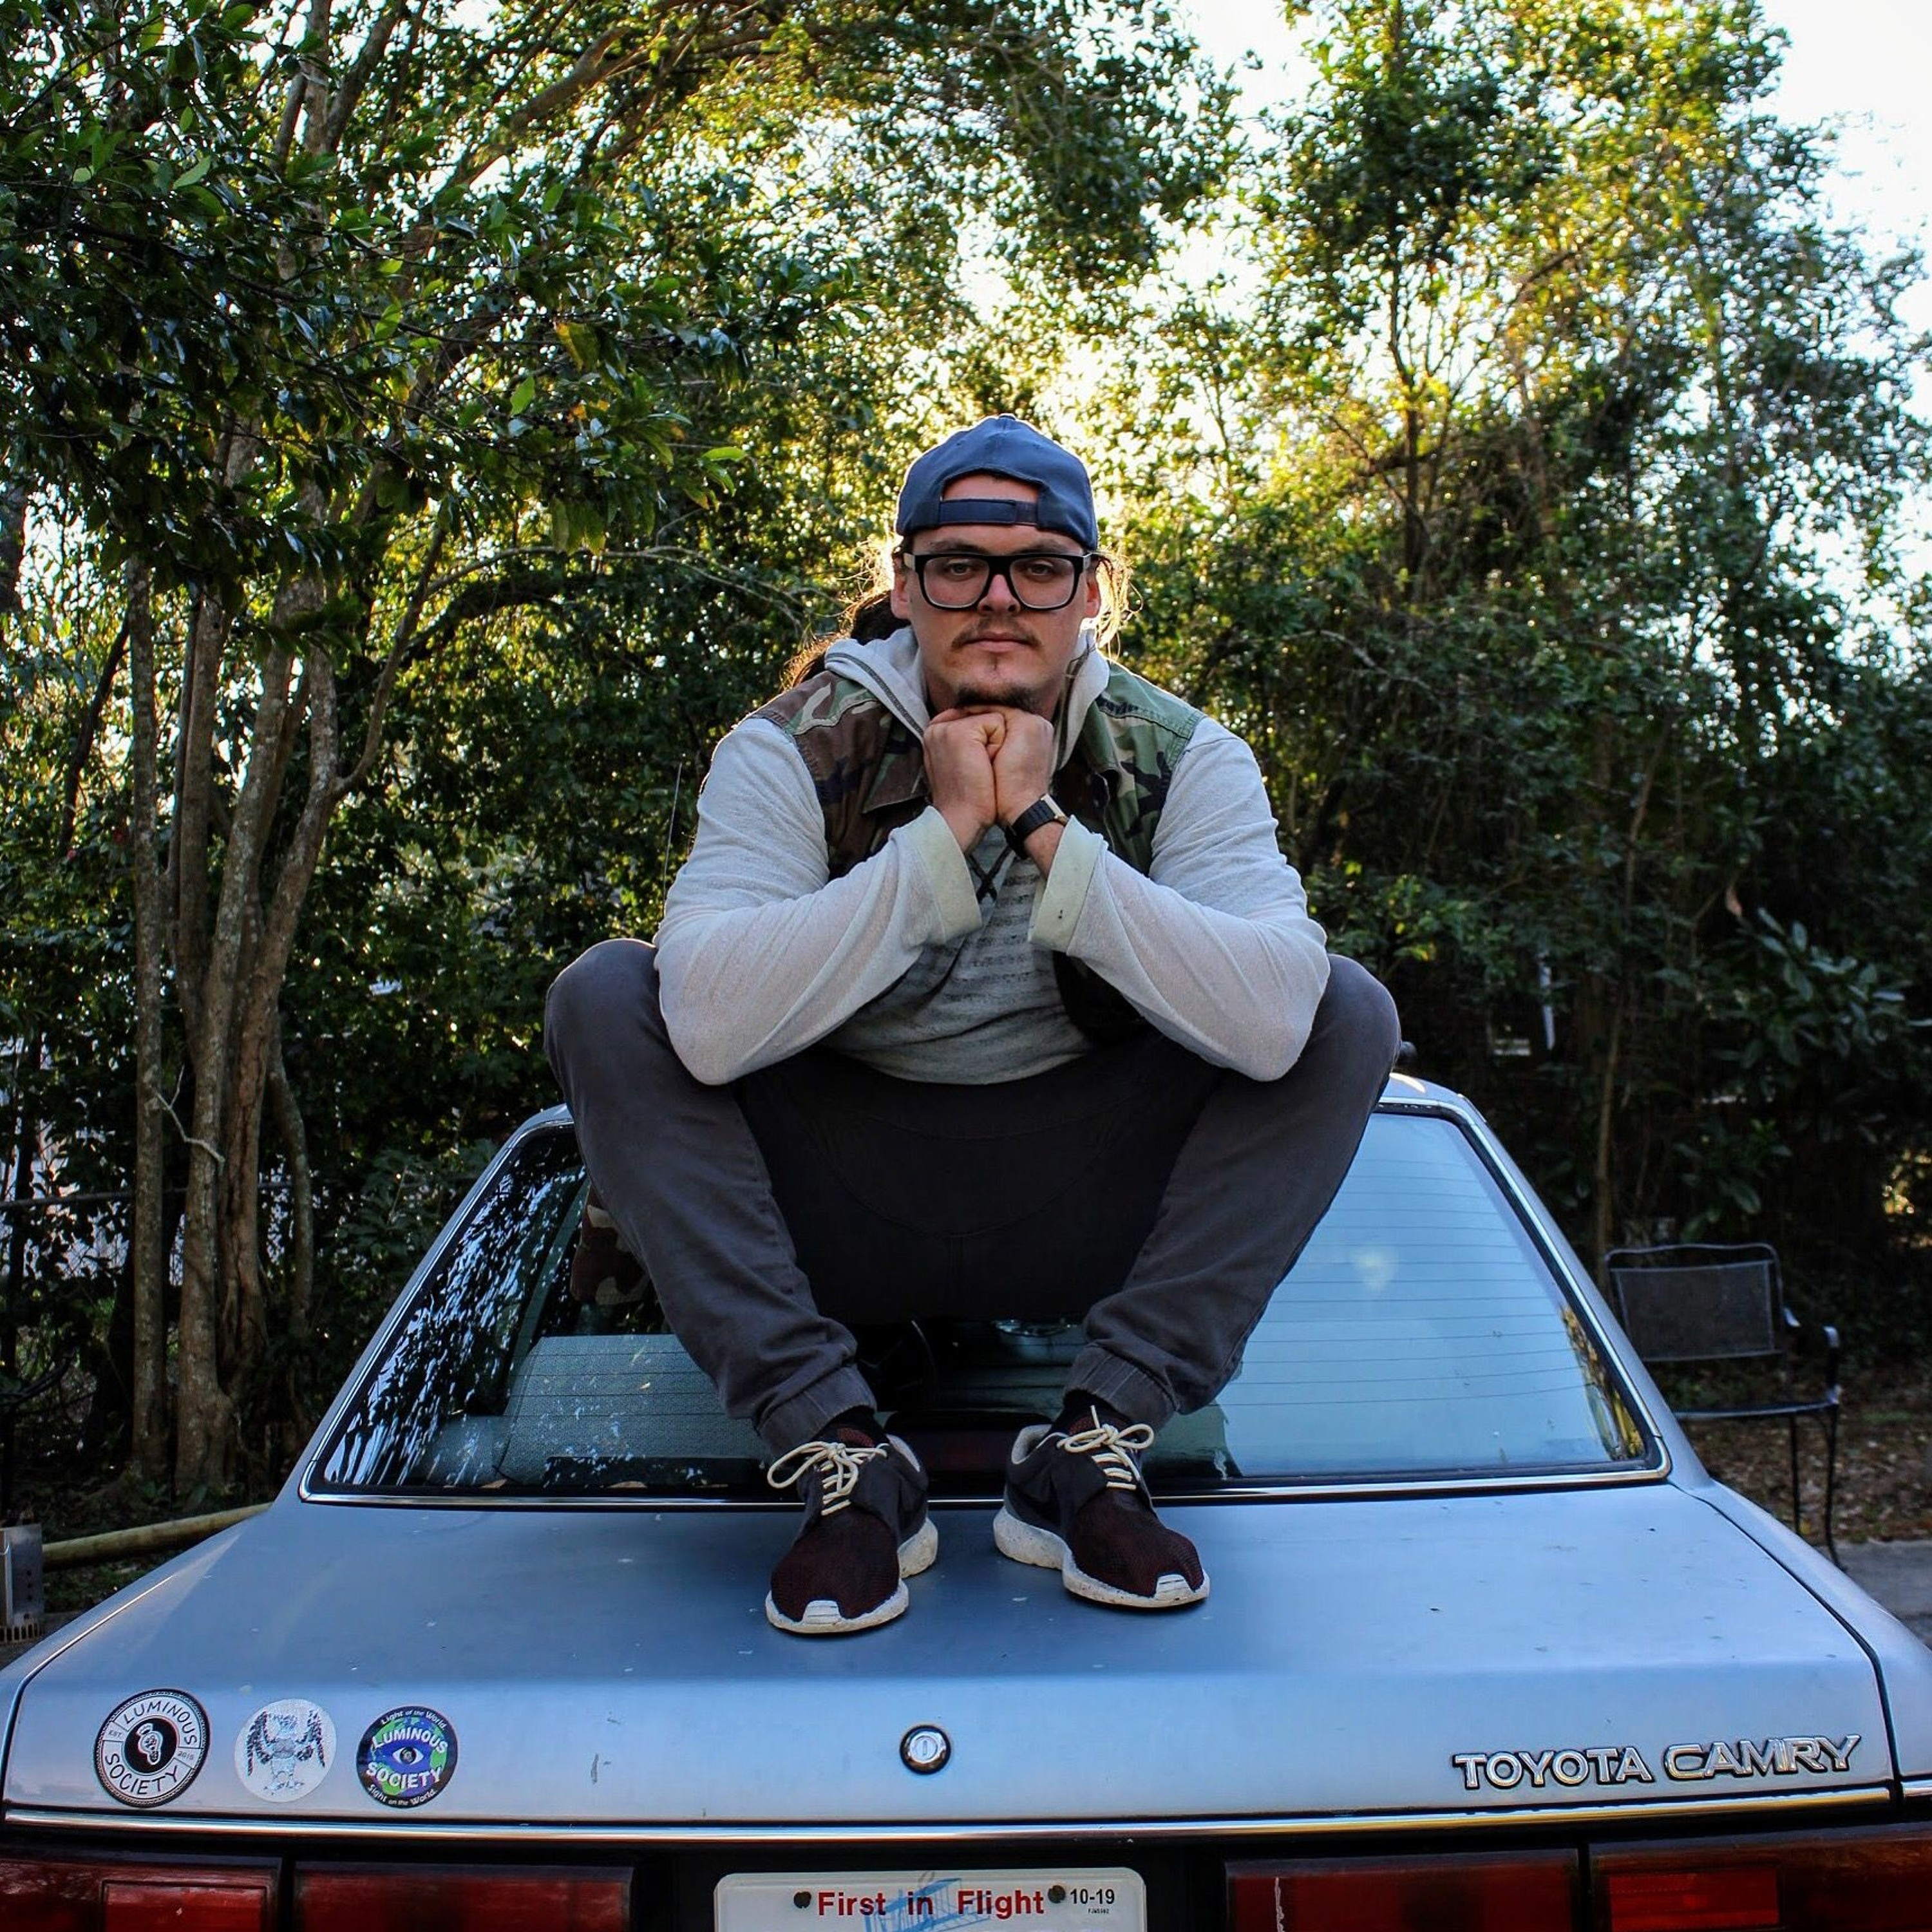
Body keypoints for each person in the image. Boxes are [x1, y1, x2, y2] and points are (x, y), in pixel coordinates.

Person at [545, 415, 1399, 1636]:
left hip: (1089, 1198)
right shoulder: (787, 751)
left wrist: (1045, 829)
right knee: (608, 992)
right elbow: (710, 1024)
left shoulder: (1185, 757)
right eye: (959, 565)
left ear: (1091, 592)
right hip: (834, 1199)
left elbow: (1273, 1024)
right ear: (905, 585)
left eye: (1038, 567)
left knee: (1341, 1005)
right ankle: (845, 1460)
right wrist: (944, 834)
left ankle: (1091, 1447)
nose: (998, 599)